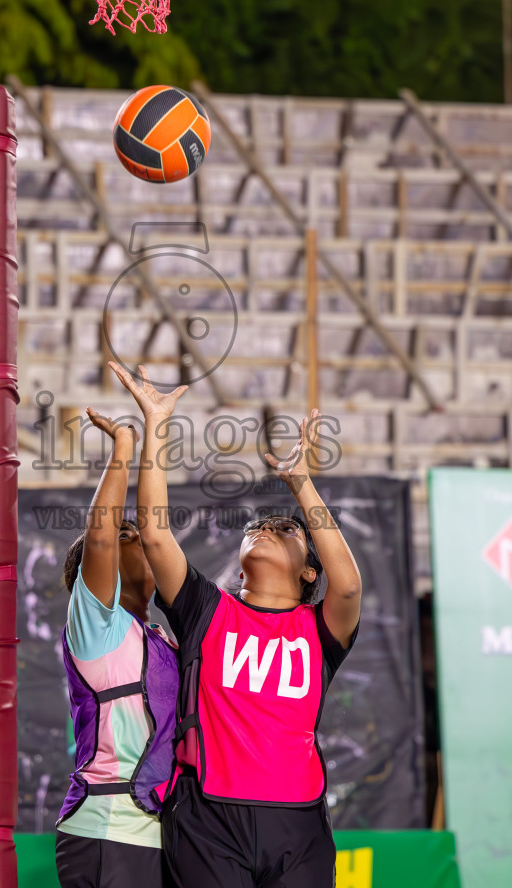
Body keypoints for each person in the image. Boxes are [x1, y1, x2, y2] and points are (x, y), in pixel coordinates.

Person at [109, 359, 362, 888]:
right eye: (259, 524)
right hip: (208, 818)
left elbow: (350, 587)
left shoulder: (318, 629)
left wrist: (302, 486)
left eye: (284, 529)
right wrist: (157, 423)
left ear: (308, 570)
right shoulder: (207, 609)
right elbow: (155, 537)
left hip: (297, 821)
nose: (266, 528)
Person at [55, 405, 179, 888]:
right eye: (129, 534)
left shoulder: (163, 639)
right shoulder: (97, 626)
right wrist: (126, 445)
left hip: (162, 832)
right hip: (109, 827)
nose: (141, 540)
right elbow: (100, 540)